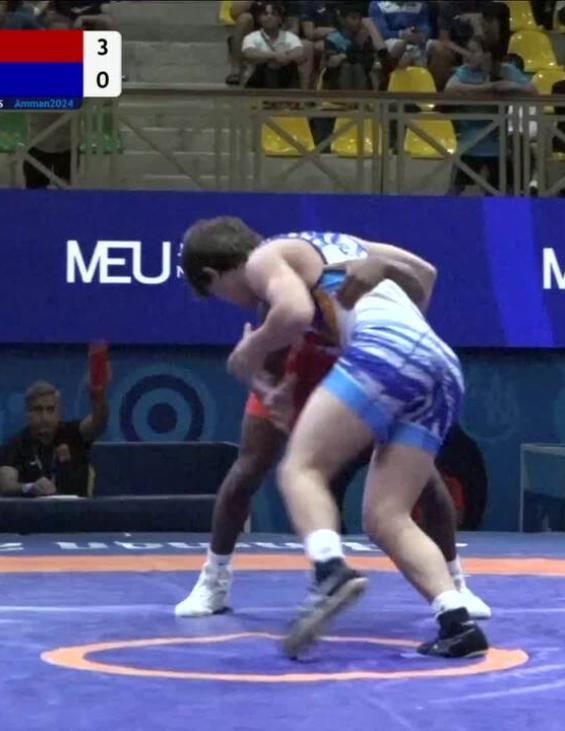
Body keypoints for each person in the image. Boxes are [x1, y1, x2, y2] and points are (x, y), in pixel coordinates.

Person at [182, 219, 488, 660]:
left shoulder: (264, 257)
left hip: (384, 352)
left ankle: (329, 570)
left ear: (214, 275)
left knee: (300, 468)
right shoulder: (343, 244)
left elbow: (293, 314)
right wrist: (403, 328)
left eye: (217, 294)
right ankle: (457, 622)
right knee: (386, 517)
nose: (232, 302)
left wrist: (250, 349)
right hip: (440, 365)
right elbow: (425, 274)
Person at [0, 378, 109, 497]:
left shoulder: (75, 433)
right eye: (37, 410)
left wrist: (98, 397)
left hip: (77, 508)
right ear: (27, 413)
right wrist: (29, 487)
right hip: (33, 508)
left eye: (50, 409)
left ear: (59, 412)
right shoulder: (16, 445)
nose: (44, 417)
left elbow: (98, 421)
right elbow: (6, 485)